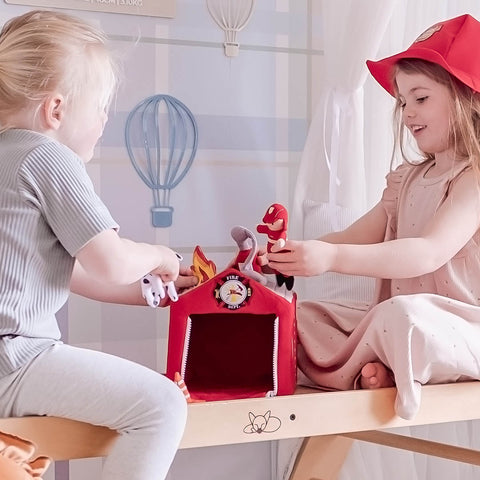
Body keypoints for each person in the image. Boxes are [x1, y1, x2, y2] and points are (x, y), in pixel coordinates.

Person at [0, 10, 197, 480]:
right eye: (101, 105)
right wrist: (160, 256)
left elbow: (56, 270)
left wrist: (141, 290)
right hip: (16, 356)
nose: (106, 119)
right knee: (162, 406)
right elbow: (110, 262)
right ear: (57, 109)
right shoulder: (48, 157)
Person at [265, 13, 480, 420]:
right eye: (402, 102)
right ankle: (385, 365)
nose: (408, 113)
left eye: (420, 98)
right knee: (302, 316)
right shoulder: (406, 180)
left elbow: (427, 252)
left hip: (463, 326)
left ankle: (396, 365)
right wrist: (294, 252)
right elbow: (354, 235)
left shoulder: (474, 178)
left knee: (401, 316)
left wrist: (331, 260)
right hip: (396, 323)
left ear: (467, 97)